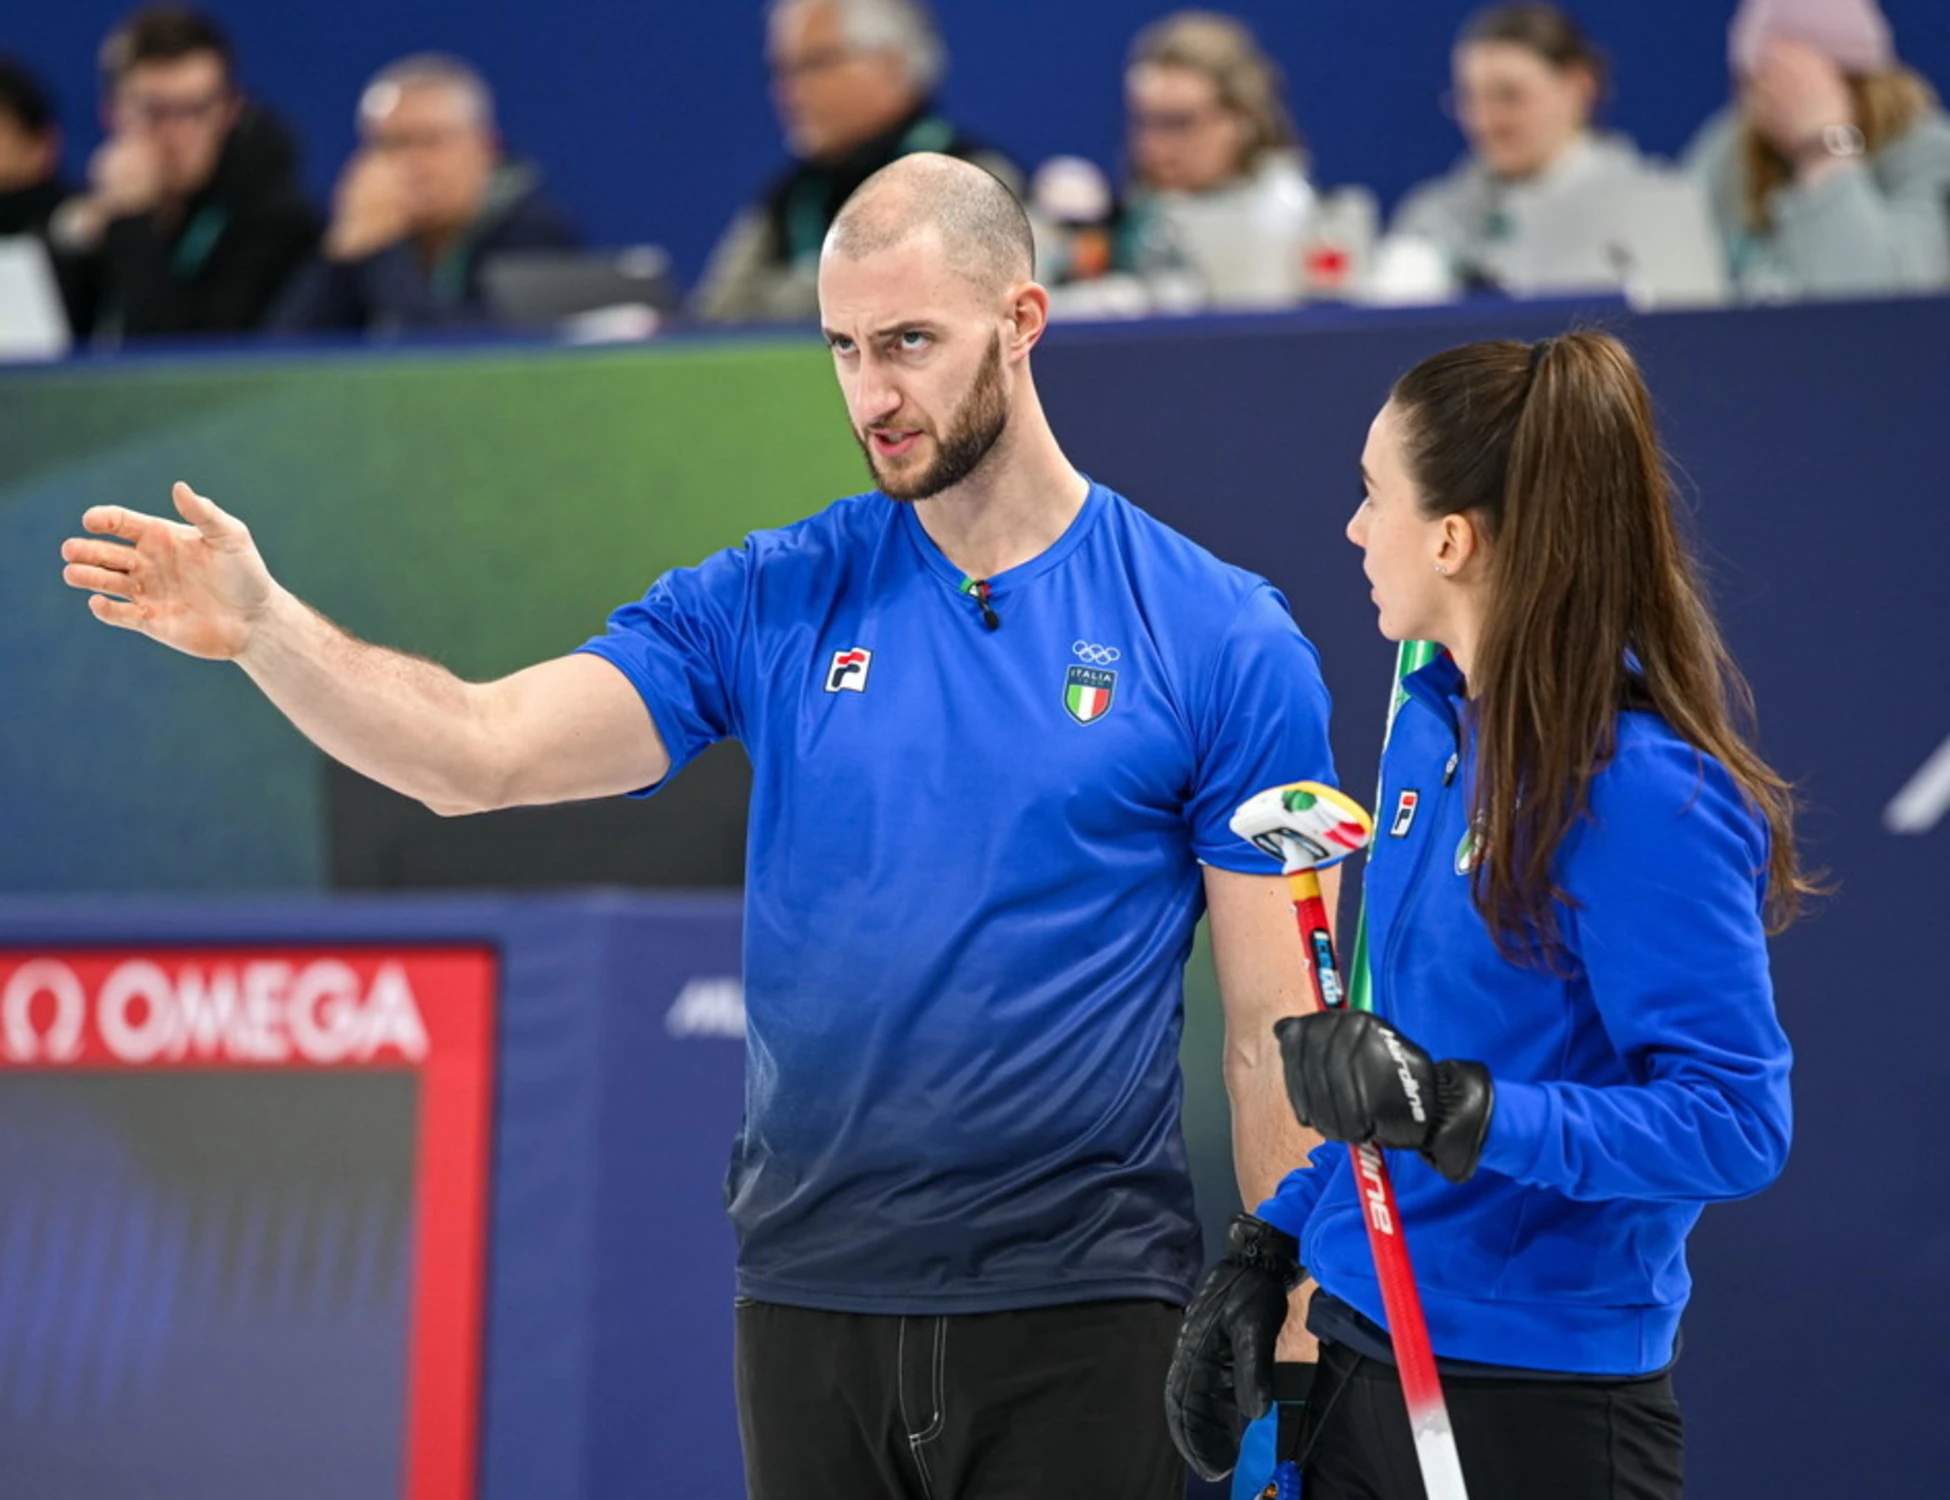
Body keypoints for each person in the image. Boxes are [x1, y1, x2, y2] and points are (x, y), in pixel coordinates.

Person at [61, 153, 1337, 1500]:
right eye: (843, 347)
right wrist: (268, 633)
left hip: (1081, 1313)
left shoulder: (1218, 637)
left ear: (1022, 322)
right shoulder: (770, 598)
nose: (873, 394)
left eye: (910, 342)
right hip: (804, 1313)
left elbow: (1272, 1031)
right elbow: (476, 756)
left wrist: (1300, 1310)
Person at [1165, 330, 1808, 1500]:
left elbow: (1734, 1123)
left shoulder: (1643, 790)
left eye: (1373, 497)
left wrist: (1473, 1112)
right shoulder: (1428, 721)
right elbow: (1390, 1094)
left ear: (1453, 538)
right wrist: (1274, 1247)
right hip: (1367, 1350)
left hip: (1533, 1406)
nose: (1355, 530)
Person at [691, 0, 1018, 323]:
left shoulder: (975, 178)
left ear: (890, 64)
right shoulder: (789, 199)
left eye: (814, 64)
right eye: (780, 72)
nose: (787, 92)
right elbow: (711, 327)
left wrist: (792, 295)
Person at [1383, 4, 1725, 306]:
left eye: (1509, 96)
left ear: (1578, 86)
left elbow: (1693, 349)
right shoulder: (1432, 216)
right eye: (1472, 98)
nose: (1485, 121)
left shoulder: (1657, 207)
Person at [48, 4, 317, 341]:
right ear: (111, 114)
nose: (175, 134)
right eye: (155, 112)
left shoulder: (278, 227)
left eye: (196, 110)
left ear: (230, 113)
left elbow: (183, 370)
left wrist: (133, 225)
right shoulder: (82, 223)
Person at [272, 55, 580, 335]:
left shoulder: (534, 234)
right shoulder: (363, 230)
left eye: (430, 141)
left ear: (486, 148)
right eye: (389, 144)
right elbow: (283, 361)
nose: (410, 163)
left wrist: (381, 249)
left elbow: (461, 359)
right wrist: (340, 256)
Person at [1684, 0, 1950, 302]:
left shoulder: (1928, 152)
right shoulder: (1732, 150)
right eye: (1760, 82)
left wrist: (1824, 150)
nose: (1775, 99)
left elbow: (1879, 307)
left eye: (1794, 80)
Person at [1111, 10, 1315, 310]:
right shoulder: (1132, 221)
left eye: (1178, 123)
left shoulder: (1288, 218)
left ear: (1241, 121)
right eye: (1144, 122)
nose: (1152, 146)